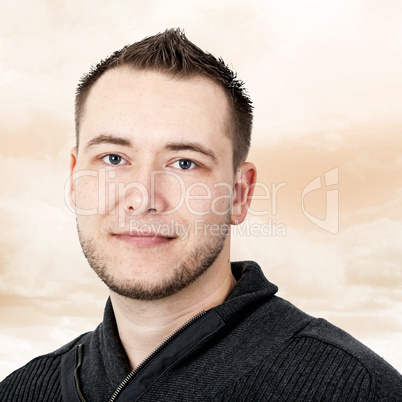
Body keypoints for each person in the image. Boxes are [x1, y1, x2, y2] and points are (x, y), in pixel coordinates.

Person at [1, 29, 401, 402]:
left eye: (185, 164)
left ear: (239, 194)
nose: (143, 198)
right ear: (74, 179)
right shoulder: (20, 392)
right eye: (113, 158)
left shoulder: (358, 389)